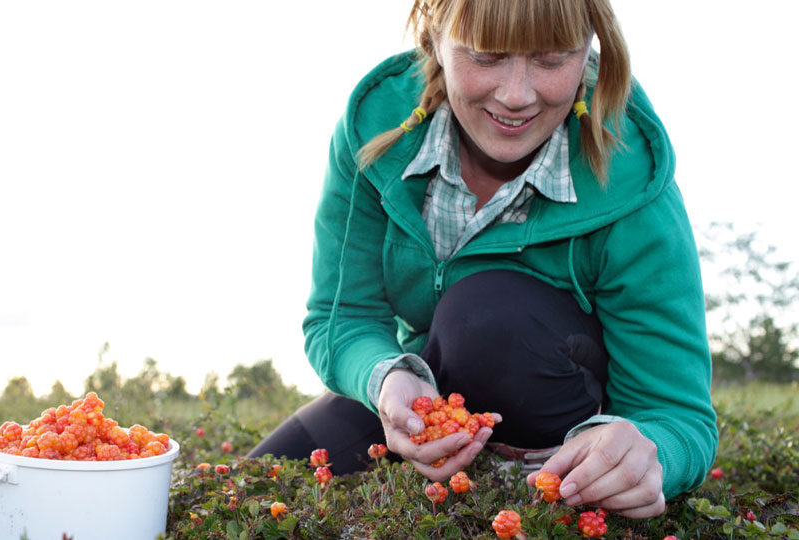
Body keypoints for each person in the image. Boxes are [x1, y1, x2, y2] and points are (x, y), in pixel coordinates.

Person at [249, 0, 717, 519]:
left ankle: (527, 475)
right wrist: (386, 380)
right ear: (435, 37)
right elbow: (342, 319)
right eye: (487, 56)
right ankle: (452, 462)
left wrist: (651, 455)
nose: (516, 96)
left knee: (482, 311)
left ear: (589, 49)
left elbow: (678, 416)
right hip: (437, 382)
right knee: (259, 480)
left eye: (552, 59)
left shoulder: (634, 179)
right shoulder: (375, 130)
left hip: (562, 409)